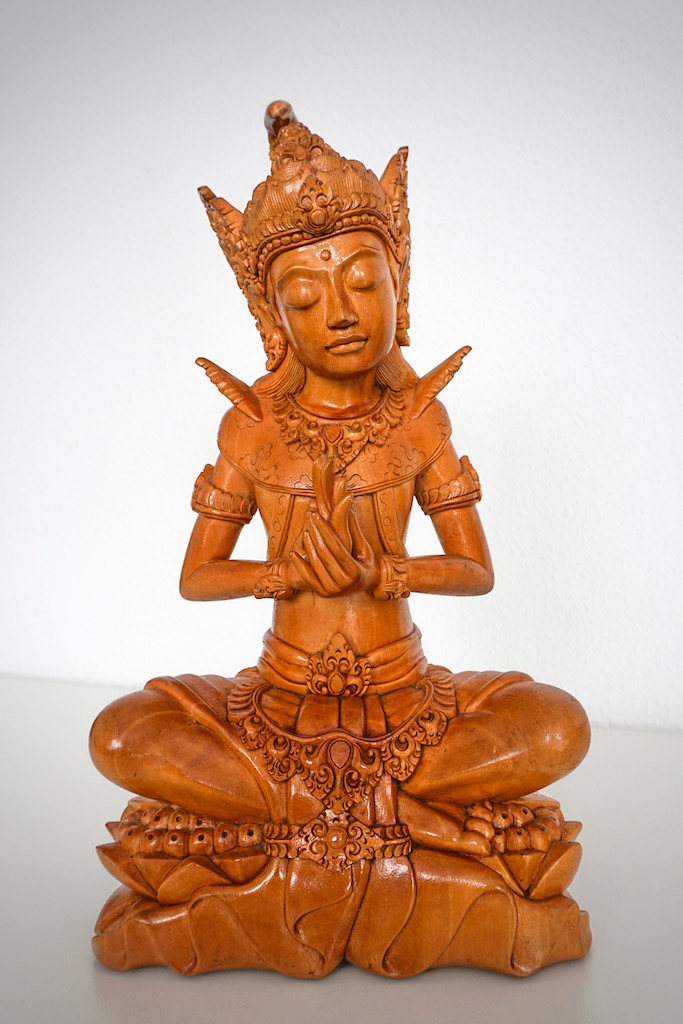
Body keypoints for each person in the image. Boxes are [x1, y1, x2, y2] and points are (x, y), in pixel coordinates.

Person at [90, 102, 591, 977]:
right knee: (124, 734)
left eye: (364, 282)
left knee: (555, 725)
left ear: (400, 288)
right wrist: (279, 573)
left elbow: (474, 568)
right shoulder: (250, 430)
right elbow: (197, 576)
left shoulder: (421, 422)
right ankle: (418, 827)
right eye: (306, 296)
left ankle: (270, 836)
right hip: (273, 706)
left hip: (409, 703)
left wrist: (387, 571)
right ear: (274, 318)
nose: (342, 313)